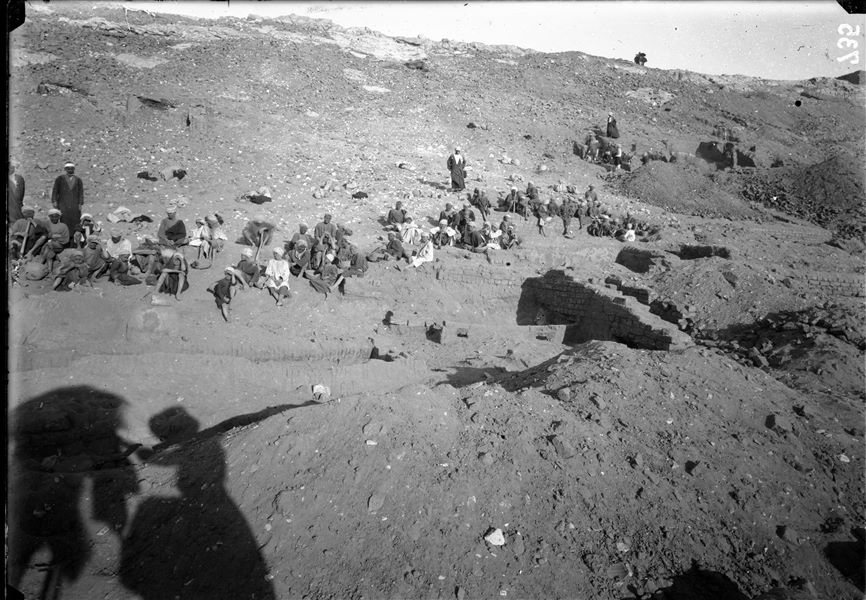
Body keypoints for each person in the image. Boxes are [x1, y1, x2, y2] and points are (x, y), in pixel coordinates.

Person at [51, 161, 84, 234]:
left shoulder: (78, 180)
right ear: (65, 169)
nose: (70, 170)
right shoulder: (60, 179)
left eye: (71, 168)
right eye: (68, 169)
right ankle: (65, 236)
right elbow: (55, 190)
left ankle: (75, 238)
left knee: (75, 219)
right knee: (64, 218)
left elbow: (81, 192)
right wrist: (54, 201)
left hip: (74, 204)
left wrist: (80, 203)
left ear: (74, 169)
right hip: (63, 204)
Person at [41, 208, 70, 272]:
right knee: (49, 255)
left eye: (56, 216)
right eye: (52, 217)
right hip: (51, 246)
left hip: (60, 245)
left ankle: (41, 263)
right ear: (49, 217)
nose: (54, 218)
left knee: (48, 245)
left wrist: (56, 237)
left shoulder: (63, 226)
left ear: (59, 217)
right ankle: (49, 270)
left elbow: (66, 239)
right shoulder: (48, 224)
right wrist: (53, 236)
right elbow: (47, 234)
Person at [8, 160, 25, 225]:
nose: (10, 169)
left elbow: (20, 194)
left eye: (12, 167)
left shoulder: (19, 178)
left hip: (16, 204)